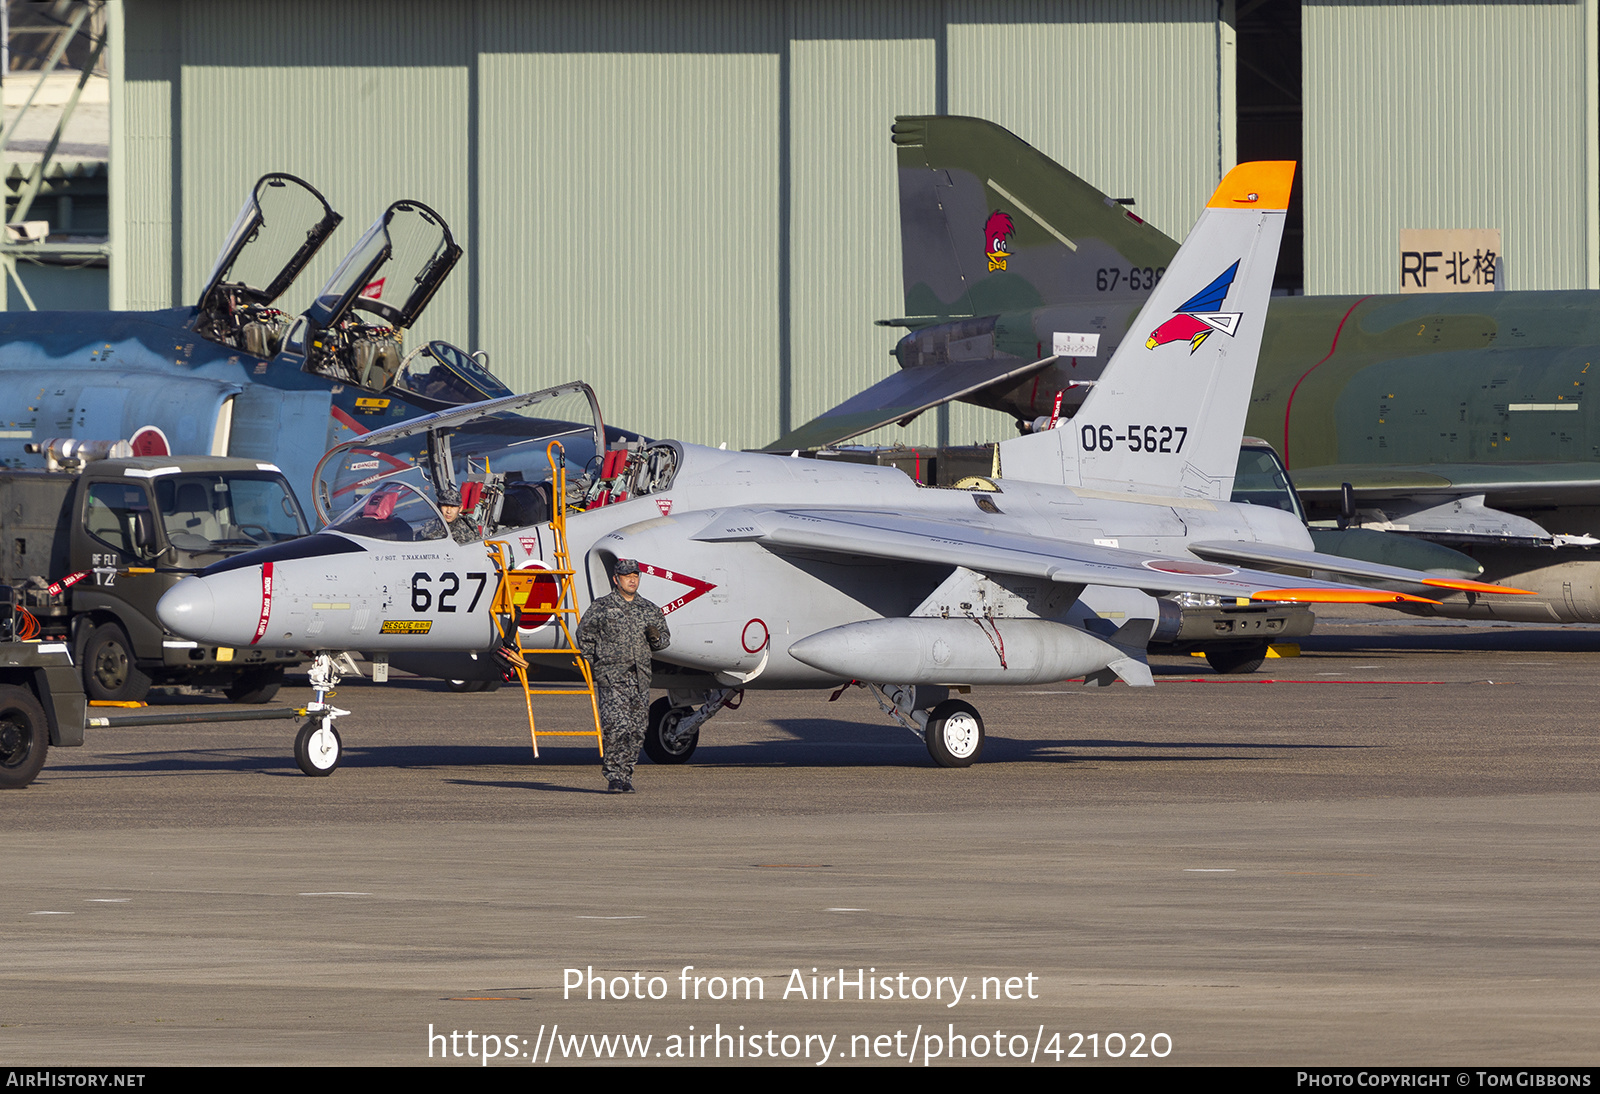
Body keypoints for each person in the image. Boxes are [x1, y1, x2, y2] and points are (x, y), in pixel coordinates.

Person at [575, 558, 670, 793]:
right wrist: (595, 663)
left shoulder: (649, 609)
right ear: (616, 579)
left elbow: (664, 642)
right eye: (627, 576)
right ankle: (614, 776)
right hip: (613, 677)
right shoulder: (602, 607)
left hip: (640, 678)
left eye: (635, 576)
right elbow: (584, 634)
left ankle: (626, 774)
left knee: (637, 729)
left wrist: (656, 637)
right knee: (616, 726)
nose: (632, 580)